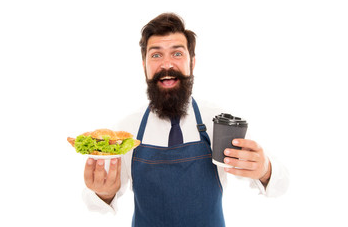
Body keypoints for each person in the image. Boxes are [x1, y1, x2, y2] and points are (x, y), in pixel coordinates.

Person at [82, 13, 289, 226]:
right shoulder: (127, 130)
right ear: (144, 65)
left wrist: (265, 170)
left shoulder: (217, 123)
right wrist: (103, 193)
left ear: (193, 63)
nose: (167, 64)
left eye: (177, 53)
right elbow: (96, 203)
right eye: (156, 55)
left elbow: (280, 185)